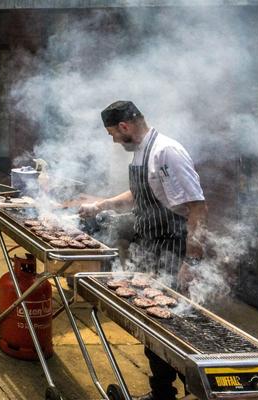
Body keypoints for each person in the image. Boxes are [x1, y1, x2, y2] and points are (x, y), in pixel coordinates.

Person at [79, 101, 207, 400]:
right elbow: (140, 194)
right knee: (152, 323)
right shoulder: (141, 152)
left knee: (174, 326)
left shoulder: (167, 152)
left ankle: (195, 390)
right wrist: (101, 204)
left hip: (173, 247)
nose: (112, 140)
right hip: (152, 246)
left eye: (112, 133)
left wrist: (191, 260)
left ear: (124, 127)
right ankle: (161, 393)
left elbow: (197, 207)